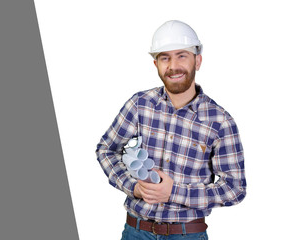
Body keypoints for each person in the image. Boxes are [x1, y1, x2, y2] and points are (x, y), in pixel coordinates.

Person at [96, 20, 246, 240]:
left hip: (188, 235)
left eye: (181, 55)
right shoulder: (140, 104)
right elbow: (106, 150)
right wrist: (133, 187)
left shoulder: (219, 121)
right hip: (136, 232)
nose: (173, 65)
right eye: (164, 57)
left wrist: (174, 192)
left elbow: (234, 189)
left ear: (198, 61)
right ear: (156, 64)